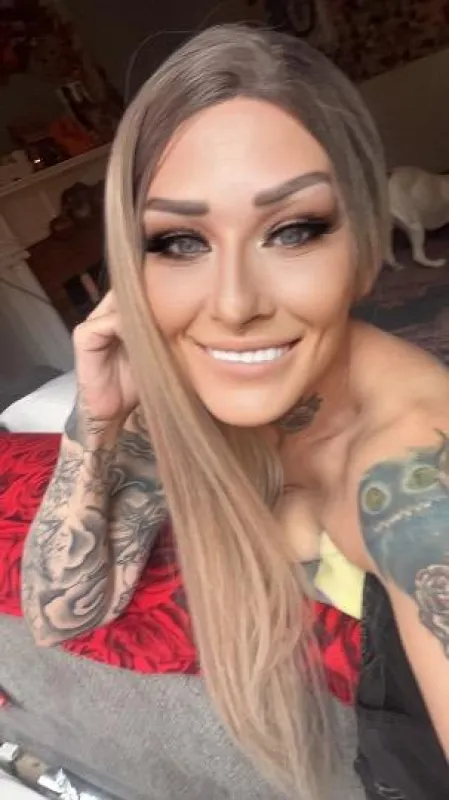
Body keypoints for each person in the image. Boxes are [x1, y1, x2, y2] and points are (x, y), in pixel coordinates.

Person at [21, 23, 449, 800]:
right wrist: (97, 416)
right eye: (180, 242)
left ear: (363, 243)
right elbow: (59, 613)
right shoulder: (183, 397)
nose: (232, 305)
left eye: (291, 231)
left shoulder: (418, 485)